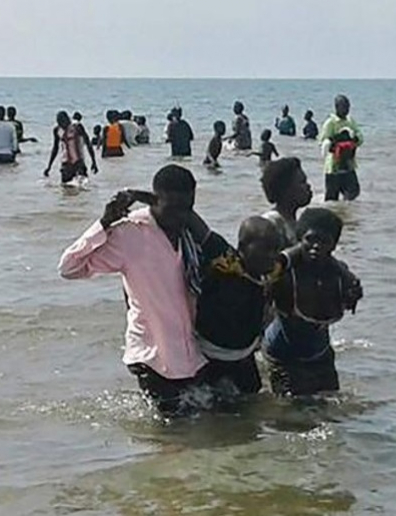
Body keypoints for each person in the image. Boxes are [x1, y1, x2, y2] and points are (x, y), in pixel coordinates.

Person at [58, 166, 209, 416]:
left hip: (192, 355)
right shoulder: (131, 233)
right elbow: (69, 267)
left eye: (187, 208)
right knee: (174, 438)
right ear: (158, 199)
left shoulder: (189, 234)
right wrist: (104, 222)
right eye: (174, 208)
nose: (181, 216)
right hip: (152, 355)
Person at [263, 208, 362, 396]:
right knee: (291, 412)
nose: (316, 246)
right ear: (300, 238)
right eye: (310, 239)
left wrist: (350, 287)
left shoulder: (340, 276)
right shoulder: (284, 273)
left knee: (330, 408)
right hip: (283, 355)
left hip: (320, 353)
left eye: (324, 241)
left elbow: (350, 300)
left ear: (333, 246)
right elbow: (266, 274)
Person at [192, 215, 292, 396]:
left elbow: (294, 254)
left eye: (275, 249)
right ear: (242, 248)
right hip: (208, 354)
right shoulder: (226, 262)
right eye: (265, 249)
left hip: (243, 355)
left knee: (251, 399)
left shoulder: (272, 270)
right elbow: (192, 221)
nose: (271, 255)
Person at [319, 95, 364, 201]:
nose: (347, 109)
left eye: (348, 107)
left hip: (349, 164)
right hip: (333, 167)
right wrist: (334, 141)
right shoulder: (330, 123)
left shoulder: (350, 122)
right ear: (337, 107)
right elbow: (322, 142)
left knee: (353, 192)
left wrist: (354, 139)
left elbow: (360, 138)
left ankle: (347, 213)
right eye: (344, 106)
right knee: (332, 198)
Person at [261, 157, 314, 247]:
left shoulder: (293, 223)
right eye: (302, 182)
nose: (308, 186)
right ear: (285, 190)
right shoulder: (271, 224)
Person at [44, 111, 99, 185]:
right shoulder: (57, 130)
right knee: (66, 188)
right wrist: (49, 166)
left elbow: (88, 143)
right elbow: (55, 148)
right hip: (66, 164)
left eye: (64, 121)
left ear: (68, 119)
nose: (63, 124)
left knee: (83, 187)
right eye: (60, 122)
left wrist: (94, 161)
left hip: (78, 162)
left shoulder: (77, 127)